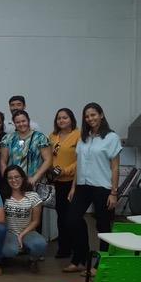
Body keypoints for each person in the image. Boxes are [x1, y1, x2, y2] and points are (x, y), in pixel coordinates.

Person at [63, 103, 121, 275]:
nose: (90, 118)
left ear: (101, 115)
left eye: (93, 115)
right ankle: (80, 259)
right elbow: (80, 165)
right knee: (72, 220)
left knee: (103, 226)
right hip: (82, 185)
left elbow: (115, 167)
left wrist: (114, 193)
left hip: (102, 187)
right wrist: (73, 187)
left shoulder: (111, 138)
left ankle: (100, 264)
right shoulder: (84, 137)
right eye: (87, 116)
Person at [1, 165, 47, 273]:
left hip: (28, 231)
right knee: (9, 250)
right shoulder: (2, 196)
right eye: (10, 178)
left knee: (40, 244)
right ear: (6, 180)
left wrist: (21, 235)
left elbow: (36, 221)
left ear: (23, 178)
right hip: (9, 232)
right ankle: (6, 257)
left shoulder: (33, 196)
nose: (14, 180)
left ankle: (32, 260)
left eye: (17, 177)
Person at [48, 108, 80, 259]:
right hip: (56, 182)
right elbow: (48, 157)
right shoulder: (53, 136)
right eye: (59, 118)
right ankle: (64, 248)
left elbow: (81, 160)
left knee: (72, 216)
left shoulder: (78, 135)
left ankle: (76, 246)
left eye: (65, 118)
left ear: (71, 119)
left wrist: (65, 171)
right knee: (61, 216)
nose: (61, 120)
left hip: (72, 182)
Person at [0, 110, 52, 187]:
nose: (21, 124)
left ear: (28, 121)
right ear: (14, 124)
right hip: (14, 184)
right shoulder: (7, 138)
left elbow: (48, 160)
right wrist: (8, 180)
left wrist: (34, 178)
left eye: (23, 121)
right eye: (18, 122)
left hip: (35, 183)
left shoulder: (40, 138)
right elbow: (3, 162)